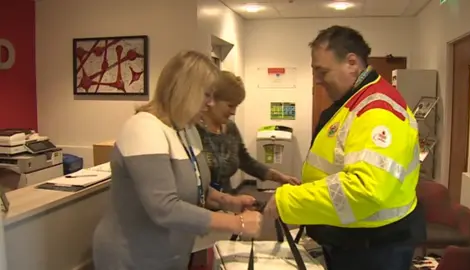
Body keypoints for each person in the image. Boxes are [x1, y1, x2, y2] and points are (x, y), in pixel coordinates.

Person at [264, 26, 426, 270]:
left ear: (351, 63)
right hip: (355, 240)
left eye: (322, 71)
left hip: (374, 250)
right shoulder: (353, 103)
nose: (317, 80)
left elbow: (366, 190)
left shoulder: (378, 111)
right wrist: (310, 187)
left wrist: (289, 200)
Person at [92, 50, 263, 270]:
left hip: (169, 254)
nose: (211, 103)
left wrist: (225, 201)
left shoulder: (185, 128)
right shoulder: (143, 127)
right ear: (185, 91)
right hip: (132, 256)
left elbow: (193, 184)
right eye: (206, 94)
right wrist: (236, 223)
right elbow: (164, 207)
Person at [197, 70, 300, 195]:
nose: (234, 112)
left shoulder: (230, 128)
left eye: (236, 106)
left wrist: (280, 177)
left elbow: (246, 161)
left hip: (226, 202)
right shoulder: (193, 130)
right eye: (230, 106)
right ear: (212, 100)